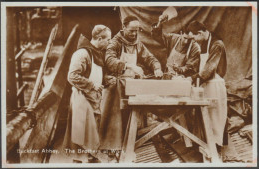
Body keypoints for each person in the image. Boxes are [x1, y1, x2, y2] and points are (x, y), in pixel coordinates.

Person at [99, 16, 163, 157]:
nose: (134, 34)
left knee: (132, 115)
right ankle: (112, 148)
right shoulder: (115, 42)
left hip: (131, 85)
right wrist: (129, 65)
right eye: (131, 31)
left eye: (137, 31)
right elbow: (109, 61)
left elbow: (149, 57)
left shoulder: (137, 43)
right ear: (124, 27)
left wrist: (156, 67)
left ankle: (129, 145)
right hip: (116, 85)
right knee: (115, 119)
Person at [62, 25, 114, 163]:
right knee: (80, 134)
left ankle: (91, 159)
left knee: (92, 133)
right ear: (99, 38)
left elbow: (96, 75)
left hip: (93, 100)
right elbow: (72, 76)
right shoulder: (82, 54)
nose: (109, 43)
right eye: (108, 40)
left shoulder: (97, 53)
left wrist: (107, 79)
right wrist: (92, 85)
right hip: (82, 99)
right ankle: (79, 161)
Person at [187, 20, 227, 155]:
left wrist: (191, 79)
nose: (194, 42)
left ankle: (216, 151)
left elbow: (208, 70)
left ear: (199, 33)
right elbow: (198, 67)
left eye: (194, 38)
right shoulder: (203, 44)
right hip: (205, 85)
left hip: (215, 85)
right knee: (205, 118)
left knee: (216, 119)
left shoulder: (217, 44)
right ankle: (207, 148)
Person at [151, 13, 200, 79]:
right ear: (181, 33)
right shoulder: (173, 38)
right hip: (167, 75)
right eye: (185, 38)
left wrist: (179, 69)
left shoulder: (195, 48)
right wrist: (160, 22)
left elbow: (190, 67)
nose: (186, 42)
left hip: (183, 79)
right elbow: (156, 36)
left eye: (190, 40)